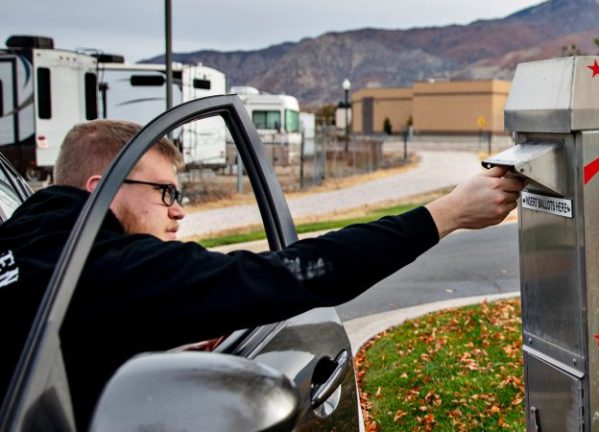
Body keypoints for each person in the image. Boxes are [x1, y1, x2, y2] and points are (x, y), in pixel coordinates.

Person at [0, 119, 523, 428]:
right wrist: (446, 214)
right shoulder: (109, 269)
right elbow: (294, 273)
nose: (178, 211)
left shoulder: (29, 245)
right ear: (99, 188)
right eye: (166, 193)